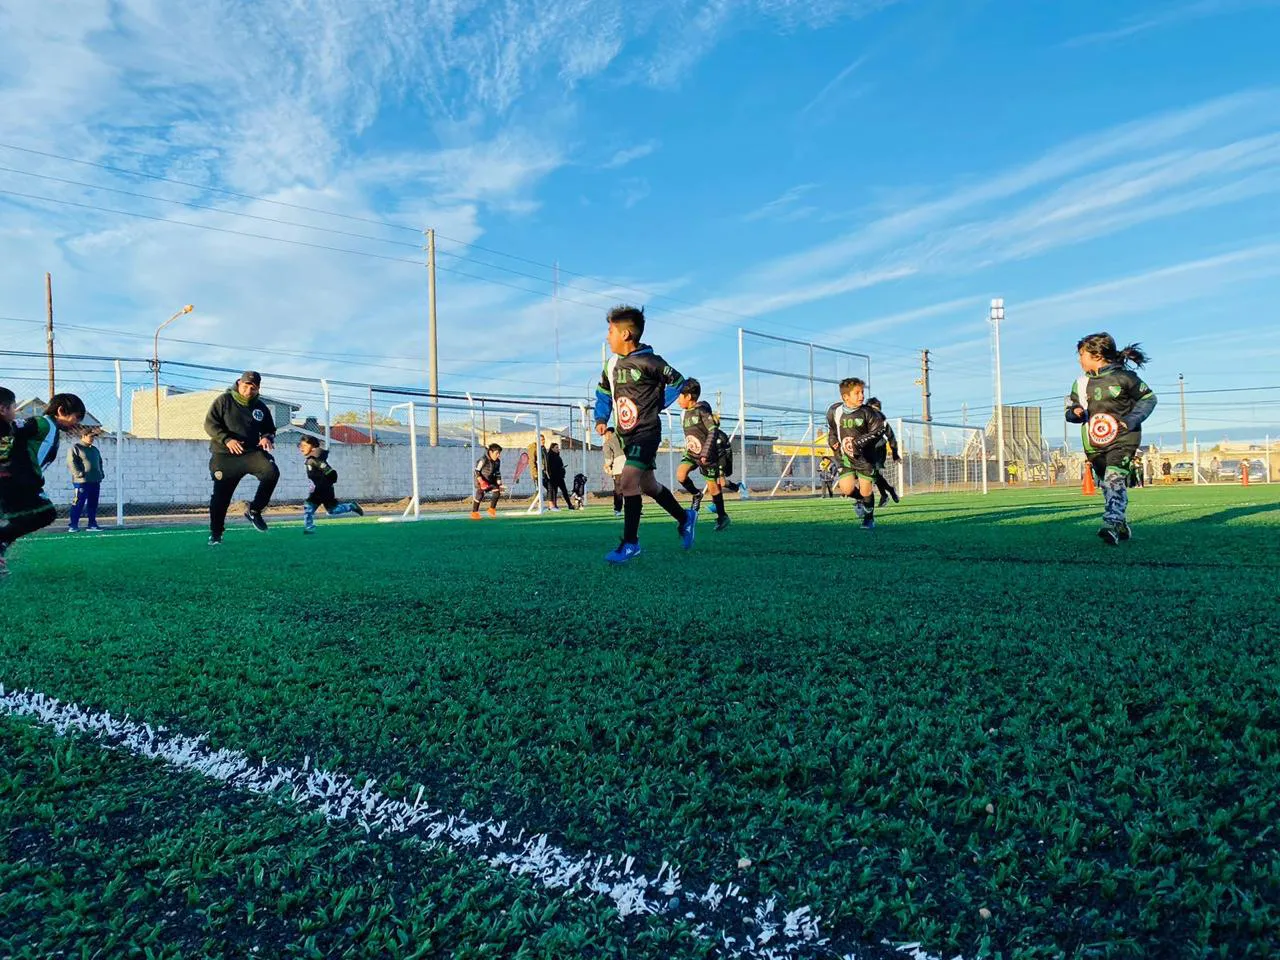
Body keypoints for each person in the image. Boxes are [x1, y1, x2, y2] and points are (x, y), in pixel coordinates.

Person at [593, 304, 695, 563]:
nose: (607, 336)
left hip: (647, 432)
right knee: (648, 485)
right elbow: (604, 392)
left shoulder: (651, 361)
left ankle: (630, 544)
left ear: (626, 334)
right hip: (626, 436)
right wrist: (601, 417)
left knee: (628, 481)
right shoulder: (612, 364)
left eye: (610, 331)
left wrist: (659, 402)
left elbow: (679, 382)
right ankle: (685, 517)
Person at [1065, 333, 1157, 545]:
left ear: (1096, 355)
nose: (1079, 360)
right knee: (1107, 484)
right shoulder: (1080, 384)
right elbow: (1070, 411)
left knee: (1113, 479)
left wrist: (1131, 420)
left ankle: (1111, 522)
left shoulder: (1125, 378)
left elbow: (1149, 398)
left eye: (1082, 355)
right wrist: (1075, 411)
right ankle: (1120, 523)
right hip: (1094, 444)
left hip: (1123, 439)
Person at [0, 390, 87, 575]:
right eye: (76, 417)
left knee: (24, 519)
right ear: (62, 411)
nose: (77, 423)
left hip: (21, 482)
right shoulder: (42, 423)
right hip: (16, 481)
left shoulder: (52, 430)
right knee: (44, 514)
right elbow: (13, 427)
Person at [204, 371, 280, 545]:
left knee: (271, 472)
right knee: (221, 497)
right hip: (225, 455)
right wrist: (227, 439)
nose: (248, 390)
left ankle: (254, 510)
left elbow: (270, 429)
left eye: (252, 387)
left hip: (251, 453)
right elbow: (210, 424)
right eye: (245, 386)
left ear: (258, 388)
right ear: (239, 383)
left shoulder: (260, 407)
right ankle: (216, 534)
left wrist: (267, 437)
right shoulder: (224, 400)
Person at [825, 377, 886, 530]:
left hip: (866, 458)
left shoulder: (868, 413)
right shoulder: (834, 411)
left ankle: (869, 518)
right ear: (845, 397)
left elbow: (878, 431)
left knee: (866, 490)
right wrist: (832, 441)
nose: (862, 396)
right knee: (847, 489)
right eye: (857, 393)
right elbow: (832, 431)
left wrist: (858, 442)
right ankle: (861, 500)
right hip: (844, 457)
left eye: (862, 392)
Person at [675, 379, 730, 531]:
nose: (678, 399)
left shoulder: (702, 411)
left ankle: (722, 516)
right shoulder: (683, 414)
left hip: (707, 455)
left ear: (689, 396)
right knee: (680, 475)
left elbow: (713, 430)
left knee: (713, 488)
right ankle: (696, 494)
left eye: (680, 395)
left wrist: (705, 451)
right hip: (692, 454)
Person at [299, 435, 362, 534]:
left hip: (324, 490)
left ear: (313, 447)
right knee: (330, 510)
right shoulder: (310, 460)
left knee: (310, 507)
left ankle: (309, 528)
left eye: (305, 445)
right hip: (317, 490)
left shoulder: (315, 460)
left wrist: (326, 484)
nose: (301, 448)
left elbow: (331, 473)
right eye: (300, 445)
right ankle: (351, 506)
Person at [66, 427, 106, 532]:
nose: (92, 439)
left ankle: (92, 524)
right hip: (81, 482)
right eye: (90, 436)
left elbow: (100, 462)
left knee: (93, 503)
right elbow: (71, 462)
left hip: (95, 481)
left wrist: (101, 473)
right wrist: (78, 474)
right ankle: (73, 525)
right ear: (83, 436)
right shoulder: (76, 447)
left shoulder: (94, 449)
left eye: (94, 437)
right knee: (78, 502)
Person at [866, 397, 900, 507]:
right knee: (872, 475)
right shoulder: (864, 420)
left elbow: (892, 437)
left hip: (879, 451)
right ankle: (888, 492)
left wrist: (895, 454)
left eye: (876, 409)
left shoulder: (883, 422)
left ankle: (884, 494)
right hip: (866, 450)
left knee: (874, 474)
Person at [472, 443, 504, 519]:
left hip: (490, 480)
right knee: (480, 494)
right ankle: (474, 513)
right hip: (480, 480)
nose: (498, 455)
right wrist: (482, 482)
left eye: (499, 453)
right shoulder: (483, 460)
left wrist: (499, 484)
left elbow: (497, 473)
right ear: (490, 452)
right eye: (497, 453)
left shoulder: (497, 461)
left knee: (497, 491)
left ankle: (491, 509)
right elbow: (476, 471)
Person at [601, 426, 625, 516]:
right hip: (631, 465)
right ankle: (637, 508)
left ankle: (618, 509)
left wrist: (606, 466)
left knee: (618, 489)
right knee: (632, 487)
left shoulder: (608, 442)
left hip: (619, 467)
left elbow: (609, 458)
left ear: (609, 433)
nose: (605, 437)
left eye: (605, 435)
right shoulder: (624, 438)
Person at [545, 442, 574, 510]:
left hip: (560, 477)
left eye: (558, 447)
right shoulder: (550, 456)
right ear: (552, 448)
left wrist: (562, 469)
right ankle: (554, 505)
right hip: (554, 477)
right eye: (556, 447)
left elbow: (559, 465)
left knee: (564, 491)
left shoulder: (557, 455)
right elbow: (551, 467)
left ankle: (569, 505)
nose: (558, 449)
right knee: (554, 492)